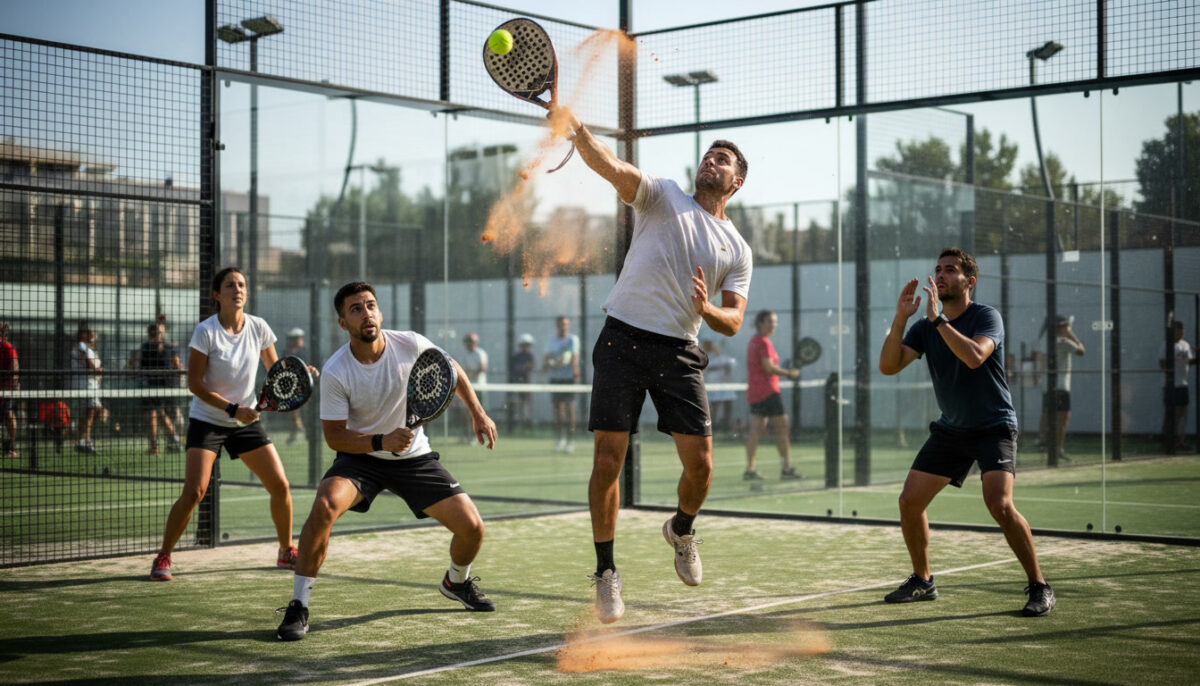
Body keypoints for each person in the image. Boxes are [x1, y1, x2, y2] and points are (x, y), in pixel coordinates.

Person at [547, 103, 751, 624]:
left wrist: (705, 308)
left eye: (723, 158)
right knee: (608, 460)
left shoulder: (738, 248)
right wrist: (579, 131)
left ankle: (680, 529)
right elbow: (611, 166)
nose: (712, 160)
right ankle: (607, 572)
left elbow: (732, 320)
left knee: (701, 468)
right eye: (709, 154)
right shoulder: (662, 195)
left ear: (738, 181)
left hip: (679, 351)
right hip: (622, 339)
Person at [275, 281, 499, 641]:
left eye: (371, 305)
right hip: (361, 458)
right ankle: (299, 604)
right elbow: (334, 435)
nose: (367, 313)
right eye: (356, 309)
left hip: (414, 459)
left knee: (473, 528)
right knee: (325, 505)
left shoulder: (408, 343)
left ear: (379, 312)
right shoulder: (336, 370)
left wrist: (477, 411)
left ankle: (456, 582)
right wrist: (381, 440)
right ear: (343, 323)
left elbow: (450, 366)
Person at [878, 247, 1054, 617]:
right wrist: (900, 318)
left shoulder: (986, 317)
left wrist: (940, 322)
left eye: (950, 270)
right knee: (909, 502)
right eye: (938, 269)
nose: (940, 275)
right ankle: (923, 581)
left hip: (994, 425)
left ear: (969, 281)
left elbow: (975, 356)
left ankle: (1040, 586)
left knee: (1000, 505)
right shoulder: (924, 326)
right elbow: (889, 366)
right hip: (952, 430)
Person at [151, 267, 300, 581]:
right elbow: (195, 384)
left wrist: (299, 374)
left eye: (242, 284)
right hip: (209, 419)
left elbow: (277, 373)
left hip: (245, 422)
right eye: (230, 285)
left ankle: (286, 551)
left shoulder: (259, 327)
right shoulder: (206, 331)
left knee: (280, 485)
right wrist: (232, 408)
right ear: (216, 294)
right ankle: (164, 556)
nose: (238, 289)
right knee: (194, 492)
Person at [743, 311, 802, 481]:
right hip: (769, 392)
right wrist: (789, 373)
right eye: (769, 321)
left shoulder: (753, 342)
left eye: (775, 322)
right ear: (760, 323)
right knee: (783, 428)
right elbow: (769, 368)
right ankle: (787, 468)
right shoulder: (763, 342)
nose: (773, 325)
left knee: (755, 431)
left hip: (755, 392)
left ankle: (750, 470)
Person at [1036, 315, 1084, 463]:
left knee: (1048, 414)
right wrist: (1071, 334)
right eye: (1065, 326)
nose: (1067, 328)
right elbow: (1082, 350)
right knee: (1062, 418)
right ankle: (1056, 448)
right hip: (1062, 386)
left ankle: (1044, 441)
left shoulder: (1045, 340)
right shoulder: (1065, 342)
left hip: (1048, 386)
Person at [129, 322, 183, 454]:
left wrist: (178, 375)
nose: (160, 334)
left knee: (160, 413)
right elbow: (132, 363)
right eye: (158, 332)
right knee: (151, 414)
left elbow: (178, 366)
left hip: (165, 388)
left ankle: (172, 439)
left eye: (161, 332)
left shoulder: (169, 349)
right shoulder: (144, 348)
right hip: (148, 387)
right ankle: (157, 444)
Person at [543, 316, 580, 453]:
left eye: (566, 324)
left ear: (568, 325)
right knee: (558, 411)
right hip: (555, 379)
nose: (563, 326)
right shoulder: (551, 341)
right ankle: (560, 439)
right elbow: (547, 359)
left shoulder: (572, 340)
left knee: (569, 410)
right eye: (561, 324)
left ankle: (571, 440)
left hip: (568, 379)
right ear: (557, 325)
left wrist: (574, 370)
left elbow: (572, 358)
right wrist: (548, 365)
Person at [1161, 320, 1197, 451]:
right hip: (1172, 385)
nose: (1182, 332)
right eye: (1178, 330)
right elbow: (1162, 364)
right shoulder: (1167, 345)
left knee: (1182, 414)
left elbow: (1190, 362)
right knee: (1173, 414)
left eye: (1182, 330)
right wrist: (1173, 361)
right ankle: (1169, 441)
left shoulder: (1185, 345)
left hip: (1183, 384)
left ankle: (1181, 442)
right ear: (1173, 331)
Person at [70, 322, 103, 455]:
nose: (93, 338)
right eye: (90, 335)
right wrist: (97, 370)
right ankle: (84, 440)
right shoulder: (82, 348)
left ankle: (83, 440)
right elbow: (89, 366)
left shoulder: (82, 349)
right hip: (87, 388)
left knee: (87, 414)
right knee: (89, 414)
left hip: (86, 386)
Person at [701, 339, 736, 438]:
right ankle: (711, 428)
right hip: (714, 387)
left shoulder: (726, 358)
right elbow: (707, 368)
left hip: (726, 387)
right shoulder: (708, 357)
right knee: (714, 407)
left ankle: (726, 427)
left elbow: (730, 365)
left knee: (727, 406)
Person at [509, 333, 536, 434]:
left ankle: (527, 429)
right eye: (524, 344)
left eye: (527, 344)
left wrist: (524, 368)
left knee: (526, 408)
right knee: (519, 408)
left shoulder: (530, 356)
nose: (526, 346)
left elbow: (530, 367)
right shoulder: (516, 357)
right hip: (517, 385)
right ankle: (520, 427)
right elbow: (515, 369)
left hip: (526, 385)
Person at [285, 328, 307, 444]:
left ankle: (299, 427)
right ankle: (296, 428)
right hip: (292, 388)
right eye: (294, 339)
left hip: (307, 387)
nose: (297, 341)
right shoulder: (287, 353)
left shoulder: (305, 353)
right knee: (294, 409)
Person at [0, 322, 18, 459]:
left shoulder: (7, 347)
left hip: (6, 388)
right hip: (6, 386)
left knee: (8, 413)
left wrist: (14, 383)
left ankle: (11, 446)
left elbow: (14, 366)